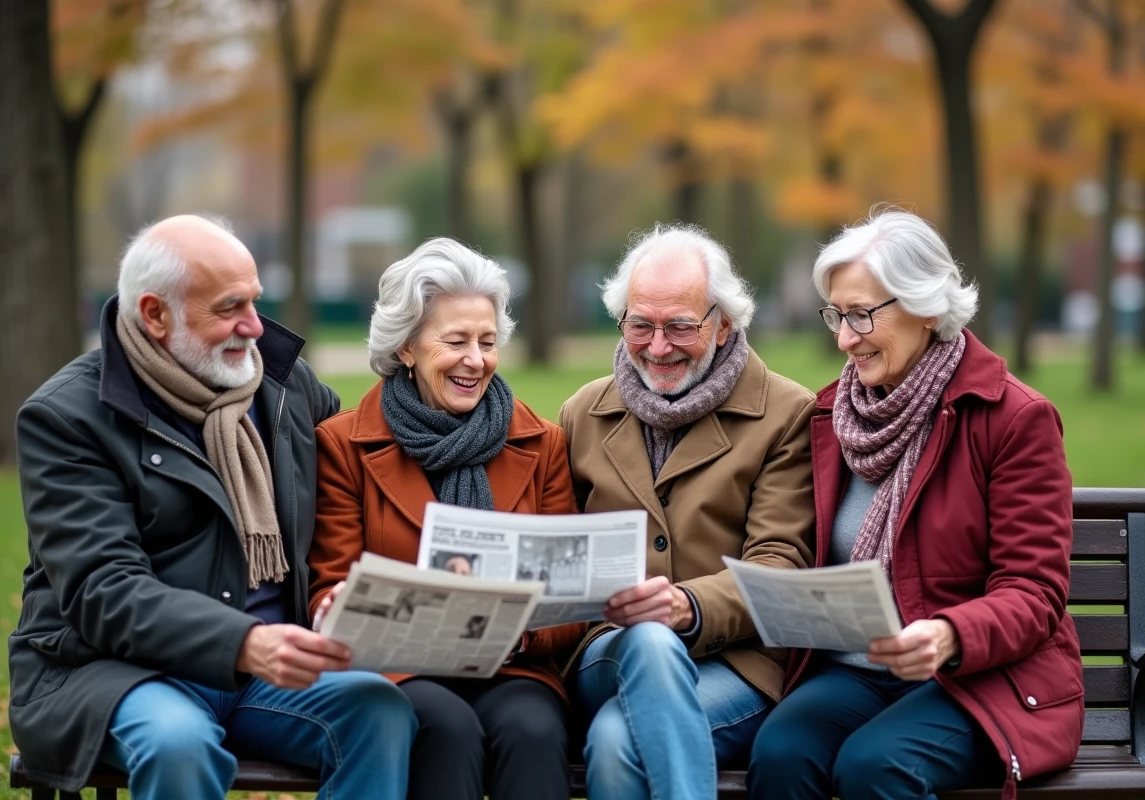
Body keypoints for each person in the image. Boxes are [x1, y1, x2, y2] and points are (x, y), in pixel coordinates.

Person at [8, 215, 417, 799]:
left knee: (379, 710)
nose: (254, 327)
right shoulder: (68, 417)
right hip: (113, 671)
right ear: (154, 315)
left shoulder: (284, 386)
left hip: (268, 668)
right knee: (177, 743)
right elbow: (104, 589)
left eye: (254, 300)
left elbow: (368, 474)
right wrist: (244, 642)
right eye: (229, 309)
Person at [747, 209, 1084, 800]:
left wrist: (949, 635)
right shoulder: (831, 417)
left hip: (982, 679)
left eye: (861, 315)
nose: (845, 337)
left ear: (926, 308)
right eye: (837, 315)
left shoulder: (1011, 418)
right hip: (855, 669)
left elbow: (1035, 593)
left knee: (875, 766)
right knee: (780, 754)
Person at [308, 237, 586, 800]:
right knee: (446, 727)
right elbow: (329, 584)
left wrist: (514, 631)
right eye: (455, 341)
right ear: (407, 347)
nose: (475, 360)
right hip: (395, 669)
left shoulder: (542, 443)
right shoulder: (343, 445)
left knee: (531, 729)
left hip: (511, 666)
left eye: (487, 342)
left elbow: (572, 603)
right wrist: (337, 607)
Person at [559, 223, 818, 800]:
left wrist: (688, 605)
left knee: (613, 744)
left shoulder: (786, 413)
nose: (657, 346)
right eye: (640, 325)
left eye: (679, 326)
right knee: (647, 643)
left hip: (735, 662)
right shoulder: (582, 412)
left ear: (724, 323)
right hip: (607, 649)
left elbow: (782, 563)